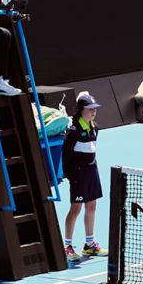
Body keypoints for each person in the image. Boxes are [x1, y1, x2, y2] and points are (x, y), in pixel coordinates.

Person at [60, 91, 103, 262]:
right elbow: (66, 155)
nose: (94, 111)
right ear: (81, 110)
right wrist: (70, 175)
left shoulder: (95, 127)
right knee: (76, 208)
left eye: (95, 108)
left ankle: (89, 244)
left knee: (92, 206)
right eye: (90, 108)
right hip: (78, 173)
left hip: (92, 171)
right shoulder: (74, 131)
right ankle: (67, 246)